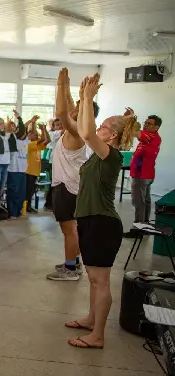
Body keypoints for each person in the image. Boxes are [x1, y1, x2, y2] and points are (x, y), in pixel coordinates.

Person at [65, 73, 140, 349]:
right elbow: (84, 128)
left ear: (113, 135)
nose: (98, 129)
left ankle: (98, 335)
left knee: (100, 280)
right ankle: (90, 319)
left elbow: (85, 132)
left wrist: (87, 98)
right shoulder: (99, 155)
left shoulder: (112, 156)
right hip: (91, 221)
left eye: (103, 126)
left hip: (103, 224)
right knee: (93, 279)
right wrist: (85, 99)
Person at [47, 71, 100, 281]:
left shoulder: (77, 131)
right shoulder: (81, 129)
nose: (74, 108)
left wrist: (61, 85)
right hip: (70, 186)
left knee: (69, 230)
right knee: (71, 229)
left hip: (67, 187)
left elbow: (61, 112)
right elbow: (67, 108)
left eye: (79, 107)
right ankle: (73, 262)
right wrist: (74, 92)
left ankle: (70, 270)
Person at [124, 113, 163, 237]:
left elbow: (135, 132)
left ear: (156, 127)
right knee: (145, 201)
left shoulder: (151, 137)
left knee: (139, 203)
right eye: (146, 122)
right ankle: (144, 226)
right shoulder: (149, 137)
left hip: (141, 176)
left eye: (149, 124)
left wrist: (129, 119)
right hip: (146, 175)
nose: (146, 125)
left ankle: (137, 229)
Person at [6, 113, 30, 219]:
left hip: (22, 170)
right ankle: (12, 212)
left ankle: (18, 210)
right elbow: (19, 130)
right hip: (13, 169)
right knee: (13, 191)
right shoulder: (11, 138)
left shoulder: (25, 140)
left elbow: (24, 130)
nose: (12, 127)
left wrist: (21, 119)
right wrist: (19, 119)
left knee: (21, 193)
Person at [25, 122, 51, 213]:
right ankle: (26, 207)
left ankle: (28, 206)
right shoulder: (29, 144)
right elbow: (43, 139)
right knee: (28, 191)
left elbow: (48, 140)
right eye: (34, 135)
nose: (36, 136)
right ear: (29, 136)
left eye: (37, 135)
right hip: (29, 171)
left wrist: (44, 130)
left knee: (32, 190)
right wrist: (42, 129)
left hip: (35, 171)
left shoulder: (38, 145)